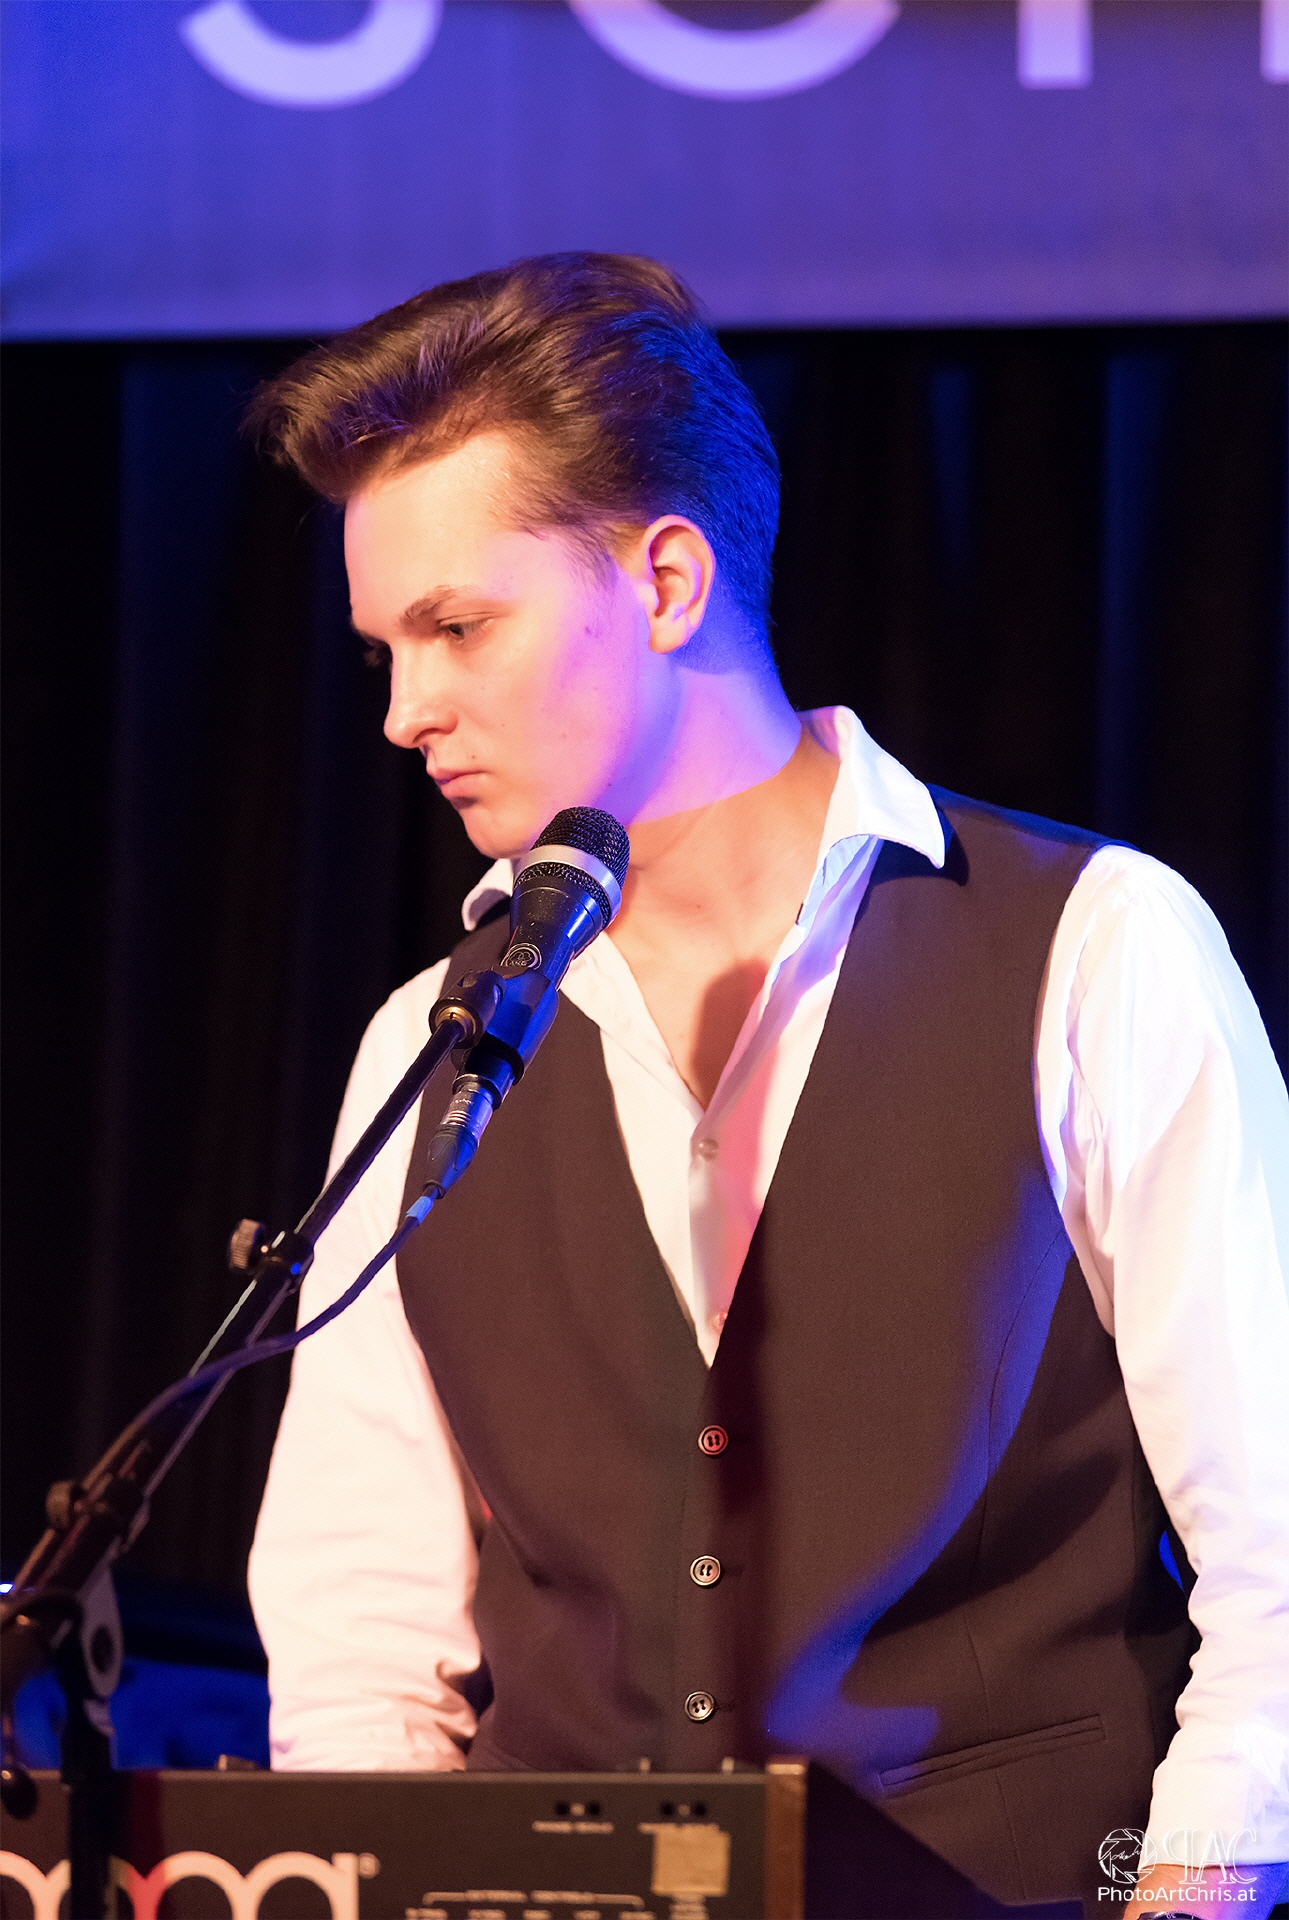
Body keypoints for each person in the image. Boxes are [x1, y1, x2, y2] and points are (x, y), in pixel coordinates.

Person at [246, 253, 1289, 1918]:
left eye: (455, 627)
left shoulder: (1093, 946)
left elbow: (1274, 1544)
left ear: (666, 581)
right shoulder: (424, 1047)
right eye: (386, 648)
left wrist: (1196, 1890)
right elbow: (359, 1628)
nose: (405, 710)